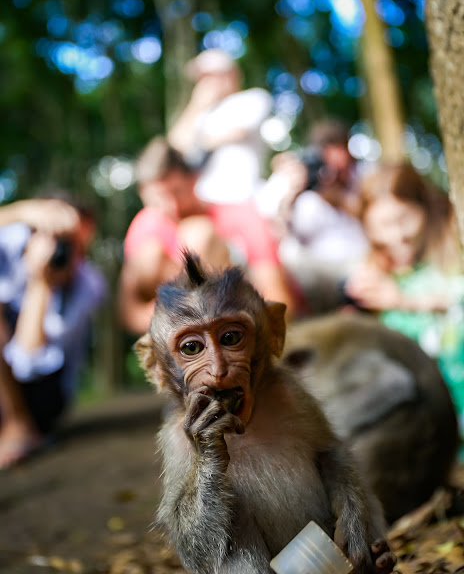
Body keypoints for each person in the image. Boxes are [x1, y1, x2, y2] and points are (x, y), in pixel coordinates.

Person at [118, 137, 299, 336]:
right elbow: (130, 312)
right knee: (148, 255)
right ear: (143, 193)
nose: (172, 206)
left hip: (241, 315)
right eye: (159, 197)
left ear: (194, 179)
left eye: (178, 192)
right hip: (182, 329)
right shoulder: (145, 227)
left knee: (199, 235)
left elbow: (279, 300)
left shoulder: (240, 215)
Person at [343, 162, 464, 428]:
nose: (396, 236)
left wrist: (405, 302)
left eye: (404, 219)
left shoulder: (452, 251)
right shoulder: (374, 271)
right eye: (383, 225)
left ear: (424, 208)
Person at [0, 194, 106, 468]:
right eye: (62, 239)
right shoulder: (12, 244)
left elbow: (28, 364)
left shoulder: (88, 285)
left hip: (43, 395)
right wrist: (22, 210)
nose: (71, 253)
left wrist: (40, 283)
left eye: (78, 244)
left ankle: (19, 426)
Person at [257, 118, 369, 313]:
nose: (333, 172)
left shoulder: (361, 178)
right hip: (319, 278)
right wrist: (291, 191)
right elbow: (274, 231)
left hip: (362, 266)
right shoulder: (303, 197)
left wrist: (338, 197)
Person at [167, 48, 273, 204]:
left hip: (243, 198)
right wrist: (195, 106)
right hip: (205, 201)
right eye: (201, 78)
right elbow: (173, 148)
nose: (203, 83)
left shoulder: (253, 98)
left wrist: (196, 143)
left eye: (209, 76)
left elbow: (237, 133)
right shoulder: (200, 113)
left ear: (231, 74)